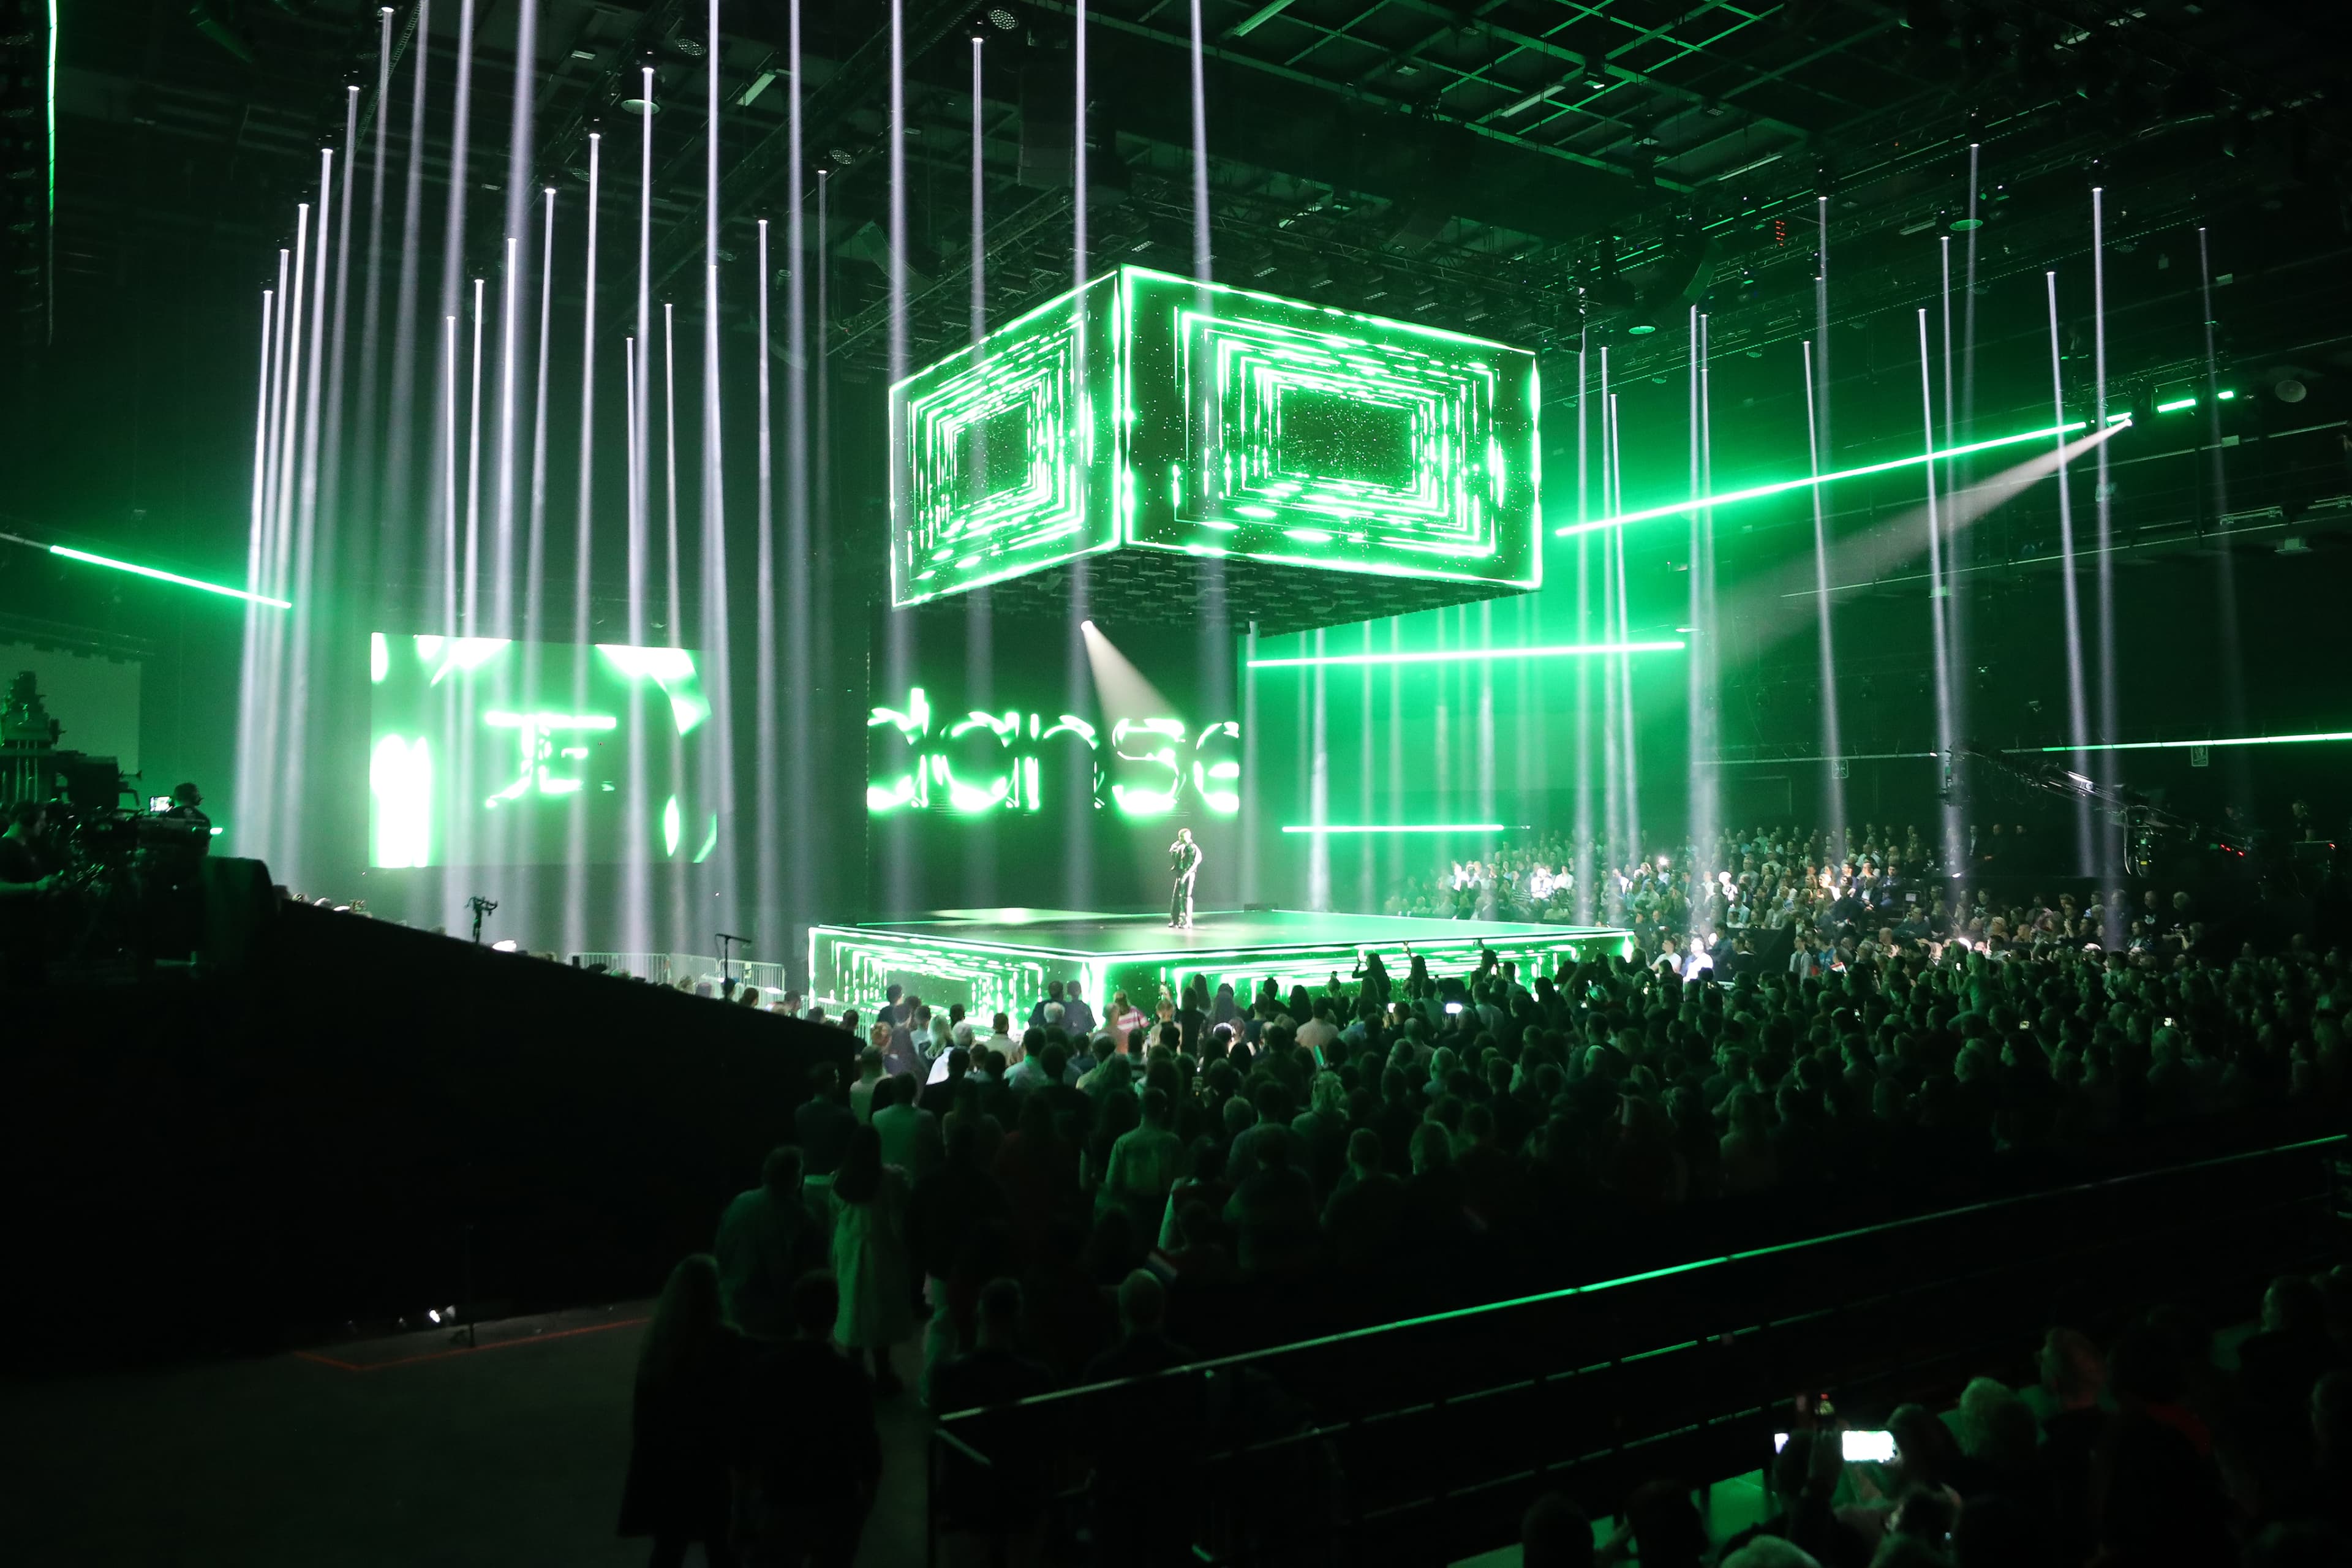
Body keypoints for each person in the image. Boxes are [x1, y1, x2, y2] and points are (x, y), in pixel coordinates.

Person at [735, 1271, 880, 1568]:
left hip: (781, 1500)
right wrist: (861, 1509)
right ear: (835, 1313)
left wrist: (743, 1512)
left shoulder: (766, 1370)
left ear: (794, 1311)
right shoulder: (851, 1376)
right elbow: (869, 1451)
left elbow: (744, 1447)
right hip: (836, 1500)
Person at [617, 1255, 742, 1568]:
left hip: (666, 1465)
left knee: (669, 1547)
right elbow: (737, 1411)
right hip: (711, 1466)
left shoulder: (659, 1345)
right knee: (721, 1546)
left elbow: (644, 1417)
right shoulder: (726, 1341)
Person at [829, 1126, 914, 1396]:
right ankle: (883, 1371)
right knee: (879, 1311)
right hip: (881, 1249)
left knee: (852, 1308)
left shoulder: (839, 1180)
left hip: (849, 1247)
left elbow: (835, 1213)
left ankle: (854, 1371)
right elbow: (899, 1219)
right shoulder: (889, 1179)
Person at [713, 1145, 818, 1340]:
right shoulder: (799, 1216)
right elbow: (805, 1273)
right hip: (774, 1317)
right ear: (795, 1177)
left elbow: (720, 1250)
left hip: (732, 1305)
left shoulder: (739, 1203)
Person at [1168, 827, 1202, 929]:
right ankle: (1175, 920)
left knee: (1186, 897)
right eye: (1179, 837)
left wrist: (1186, 875)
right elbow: (1175, 857)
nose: (1180, 839)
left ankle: (1187, 921)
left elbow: (1196, 862)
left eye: (1182, 837)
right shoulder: (1180, 847)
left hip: (1189, 874)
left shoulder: (1193, 848)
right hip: (1180, 873)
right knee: (1176, 897)